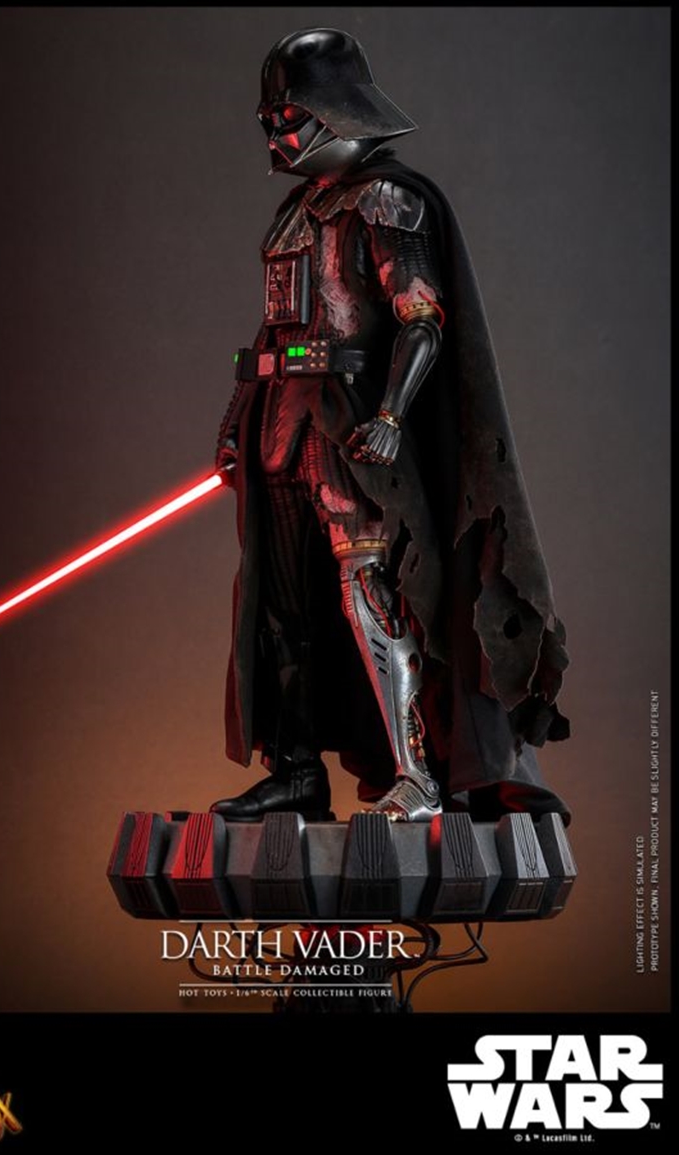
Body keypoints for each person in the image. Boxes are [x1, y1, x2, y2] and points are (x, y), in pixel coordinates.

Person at [211, 28, 569, 825]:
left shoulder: (388, 200)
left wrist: (390, 415)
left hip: (350, 430)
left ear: (335, 112)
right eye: (270, 119)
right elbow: (275, 330)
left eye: (289, 117)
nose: (276, 135)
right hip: (283, 425)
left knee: (372, 595)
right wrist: (237, 421)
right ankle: (295, 769)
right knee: (284, 605)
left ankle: (418, 773)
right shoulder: (295, 214)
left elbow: (422, 322)